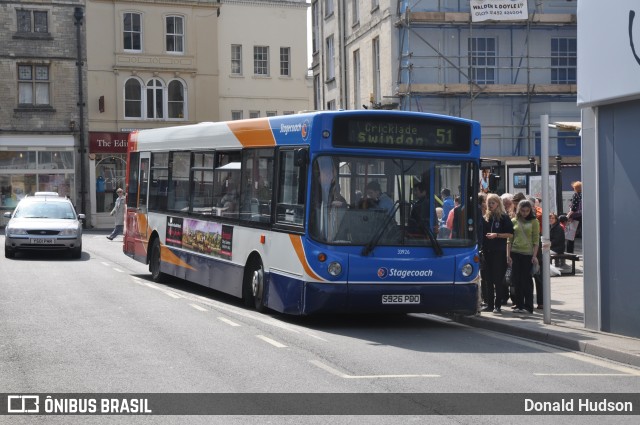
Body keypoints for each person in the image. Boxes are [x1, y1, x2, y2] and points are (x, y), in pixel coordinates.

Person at [481, 194, 514, 313]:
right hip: (487, 251)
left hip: (498, 252)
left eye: (493, 203)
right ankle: (489, 304)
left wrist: (497, 235)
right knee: (488, 279)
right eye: (489, 203)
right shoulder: (486, 217)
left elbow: (510, 234)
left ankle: (497, 305)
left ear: (498, 204)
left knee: (498, 279)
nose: (490, 205)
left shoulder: (504, 217)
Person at [508, 199, 540, 314]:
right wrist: (509, 255)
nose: (525, 213)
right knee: (517, 280)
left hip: (527, 254)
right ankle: (519, 305)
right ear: (518, 210)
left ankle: (529, 306)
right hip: (515, 252)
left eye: (527, 211)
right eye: (522, 211)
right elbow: (509, 240)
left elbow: (536, 240)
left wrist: (534, 255)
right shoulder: (514, 221)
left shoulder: (534, 221)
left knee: (526, 280)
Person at [566, 181, 582, 253]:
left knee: (571, 235)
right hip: (582, 216)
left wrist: (568, 215)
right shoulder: (584, 194)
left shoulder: (576, 195)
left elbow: (574, 208)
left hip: (575, 217)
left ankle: (570, 252)